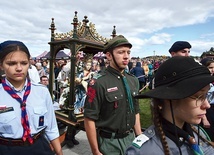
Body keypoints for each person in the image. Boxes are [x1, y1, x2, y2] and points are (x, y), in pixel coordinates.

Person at [126, 56, 214, 155]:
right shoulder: (143, 151)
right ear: (168, 98)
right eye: (198, 97)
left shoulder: (198, 134)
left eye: (206, 95)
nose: (207, 105)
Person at [0, 40, 62, 155]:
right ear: (1, 65)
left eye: (23, 63)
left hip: (39, 147)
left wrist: (59, 153)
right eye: (11, 63)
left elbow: (51, 128)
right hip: (7, 149)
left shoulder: (42, 92)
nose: (19, 68)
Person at [84, 35, 142, 155]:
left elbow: (135, 111)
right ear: (109, 56)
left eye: (128, 52)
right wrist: (95, 151)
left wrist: (139, 136)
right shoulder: (98, 82)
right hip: (109, 144)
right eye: (121, 52)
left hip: (131, 139)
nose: (126, 56)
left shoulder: (133, 80)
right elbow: (89, 118)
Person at [200, 58, 214, 141]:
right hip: (206, 110)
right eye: (210, 68)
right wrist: (204, 119)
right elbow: (201, 99)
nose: (213, 70)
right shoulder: (201, 82)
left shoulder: (212, 80)